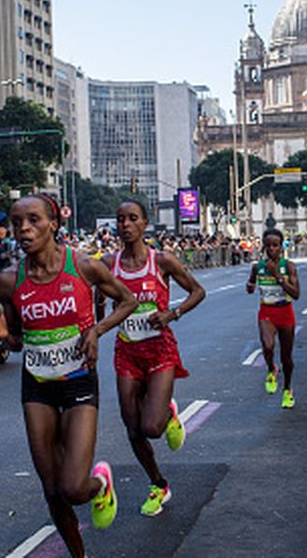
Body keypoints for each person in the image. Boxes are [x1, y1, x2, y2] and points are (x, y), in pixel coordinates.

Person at [0, 194, 138, 558]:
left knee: (73, 487)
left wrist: (96, 330)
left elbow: (128, 300)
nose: (24, 229)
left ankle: (100, 484)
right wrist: (5, 334)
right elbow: (18, 341)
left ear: (53, 225)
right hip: (37, 386)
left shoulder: (83, 266)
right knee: (53, 491)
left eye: (33, 220)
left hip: (78, 382)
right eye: (17, 223)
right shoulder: (9, 280)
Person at [97, 200, 205, 517]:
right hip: (127, 353)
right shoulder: (108, 264)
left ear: (145, 223)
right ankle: (158, 484)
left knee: (152, 428)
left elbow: (198, 291)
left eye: (133, 218)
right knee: (133, 430)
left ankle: (168, 413)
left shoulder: (162, 261)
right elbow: (96, 299)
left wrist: (173, 313)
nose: (125, 225)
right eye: (120, 219)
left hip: (159, 351)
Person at [246, 228, 301, 408]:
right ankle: (271, 369)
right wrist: (250, 285)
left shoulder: (289, 266)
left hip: (285, 312)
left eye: (275, 245)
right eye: (268, 245)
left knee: (286, 357)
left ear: (281, 247)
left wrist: (277, 275)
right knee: (268, 346)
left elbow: (296, 294)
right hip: (267, 312)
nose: (271, 249)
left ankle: (287, 389)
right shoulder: (257, 267)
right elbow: (250, 286)